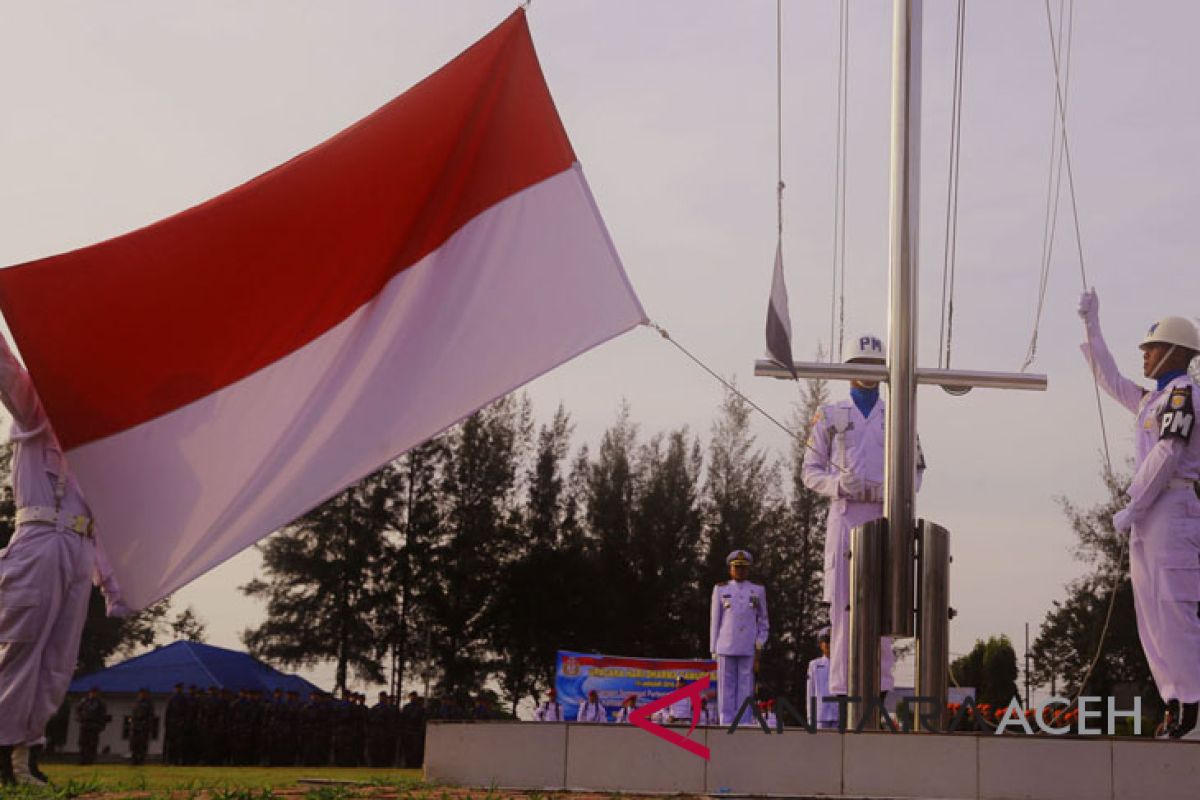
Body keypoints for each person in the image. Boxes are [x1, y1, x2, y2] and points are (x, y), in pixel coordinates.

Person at [0, 335, 128, 785]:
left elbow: (100, 528)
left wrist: (114, 588)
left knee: (57, 662)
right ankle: (2, 752)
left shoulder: (93, 455)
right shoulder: (36, 412)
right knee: (20, 649)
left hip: (77, 552)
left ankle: (25, 755)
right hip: (38, 541)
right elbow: (7, 369)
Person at [1078, 290, 1200, 740]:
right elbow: (1109, 379)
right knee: (1150, 613)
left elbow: (1170, 452)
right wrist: (1091, 326)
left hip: (1172, 507)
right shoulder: (1153, 400)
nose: (1145, 356)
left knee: (1174, 608)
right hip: (1151, 514)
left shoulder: (1184, 395)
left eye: (1150, 348)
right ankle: (1174, 701)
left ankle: (1193, 705)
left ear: (1173, 351)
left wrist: (1133, 504)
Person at [802, 333, 922, 698]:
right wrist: (839, 484)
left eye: (875, 365)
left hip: (885, 517)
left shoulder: (899, 413)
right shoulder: (830, 413)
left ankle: (881, 686)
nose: (868, 372)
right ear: (848, 368)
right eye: (860, 365)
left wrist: (895, 490)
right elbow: (809, 471)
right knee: (844, 604)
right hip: (846, 512)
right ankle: (841, 688)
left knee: (884, 601)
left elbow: (916, 469)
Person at [710, 549, 769, 726]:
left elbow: (763, 619)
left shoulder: (757, 590)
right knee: (726, 685)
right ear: (730, 569)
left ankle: (743, 721)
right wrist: (713, 647)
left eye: (743, 568)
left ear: (748, 569)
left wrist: (760, 641)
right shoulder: (721, 589)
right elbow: (715, 620)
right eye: (737, 567)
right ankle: (725, 721)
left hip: (748, 645)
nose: (740, 571)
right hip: (725, 644)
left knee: (746, 686)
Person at [806, 629, 839, 729]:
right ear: (821, 644)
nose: (828, 644)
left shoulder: (841, 664)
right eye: (826, 641)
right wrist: (810, 717)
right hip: (820, 715)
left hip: (837, 714)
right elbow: (810, 693)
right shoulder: (814, 665)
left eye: (831, 641)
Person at [75, 688, 108, 767]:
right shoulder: (84, 701)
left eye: (94, 692)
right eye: (91, 692)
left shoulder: (100, 703)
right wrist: (79, 717)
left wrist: (101, 725)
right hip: (85, 724)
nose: (93, 694)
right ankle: (82, 759)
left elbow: (103, 715)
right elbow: (78, 709)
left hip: (94, 725)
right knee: (83, 743)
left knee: (92, 744)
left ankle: (90, 760)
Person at [128, 688, 154, 766]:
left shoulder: (149, 704)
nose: (142, 695)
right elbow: (132, 714)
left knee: (142, 745)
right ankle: (134, 759)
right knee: (134, 744)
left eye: (143, 693)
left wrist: (146, 725)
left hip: (143, 727)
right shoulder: (136, 703)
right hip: (135, 726)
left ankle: (141, 760)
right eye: (141, 693)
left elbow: (150, 716)